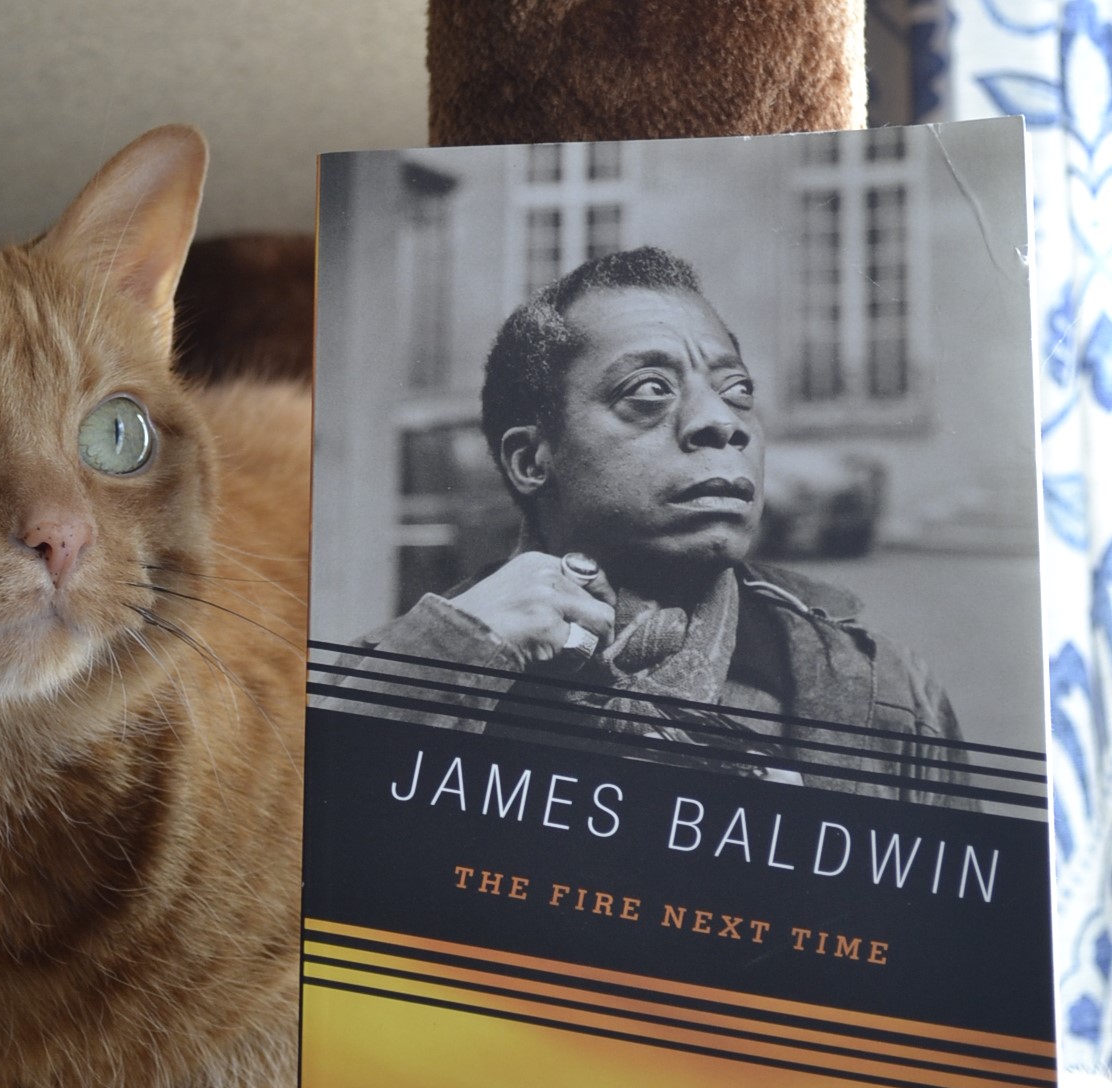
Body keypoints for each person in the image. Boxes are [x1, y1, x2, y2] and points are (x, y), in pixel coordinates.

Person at [338, 247, 973, 806]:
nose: (722, 423)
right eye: (648, 391)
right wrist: (457, 651)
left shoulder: (887, 698)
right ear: (532, 459)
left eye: (738, 390)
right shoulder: (413, 667)